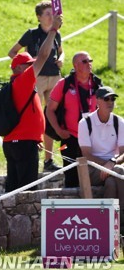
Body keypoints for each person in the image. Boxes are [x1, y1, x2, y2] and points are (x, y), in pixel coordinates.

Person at [3, 14, 63, 192]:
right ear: (19, 68)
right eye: (28, 65)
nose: (32, 67)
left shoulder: (16, 84)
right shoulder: (23, 79)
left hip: (17, 143)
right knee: (27, 192)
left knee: (13, 190)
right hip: (22, 145)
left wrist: (34, 137)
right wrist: (53, 30)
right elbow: (44, 55)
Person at [46, 52, 102, 187]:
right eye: (85, 61)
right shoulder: (64, 84)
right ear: (75, 66)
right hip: (69, 138)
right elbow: (50, 110)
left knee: (93, 178)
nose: (89, 64)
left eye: (90, 60)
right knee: (71, 177)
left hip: (91, 139)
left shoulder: (97, 84)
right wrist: (59, 130)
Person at [78, 86, 124, 226]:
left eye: (113, 99)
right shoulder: (85, 123)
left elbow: (123, 153)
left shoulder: (119, 121)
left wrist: (112, 162)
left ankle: (109, 225)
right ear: (97, 101)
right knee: (120, 171)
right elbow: (86, 155)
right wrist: (107, 165)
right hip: (93, 168)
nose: (110, 102)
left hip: (113, 166)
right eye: (106, 99)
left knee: (111, 182)